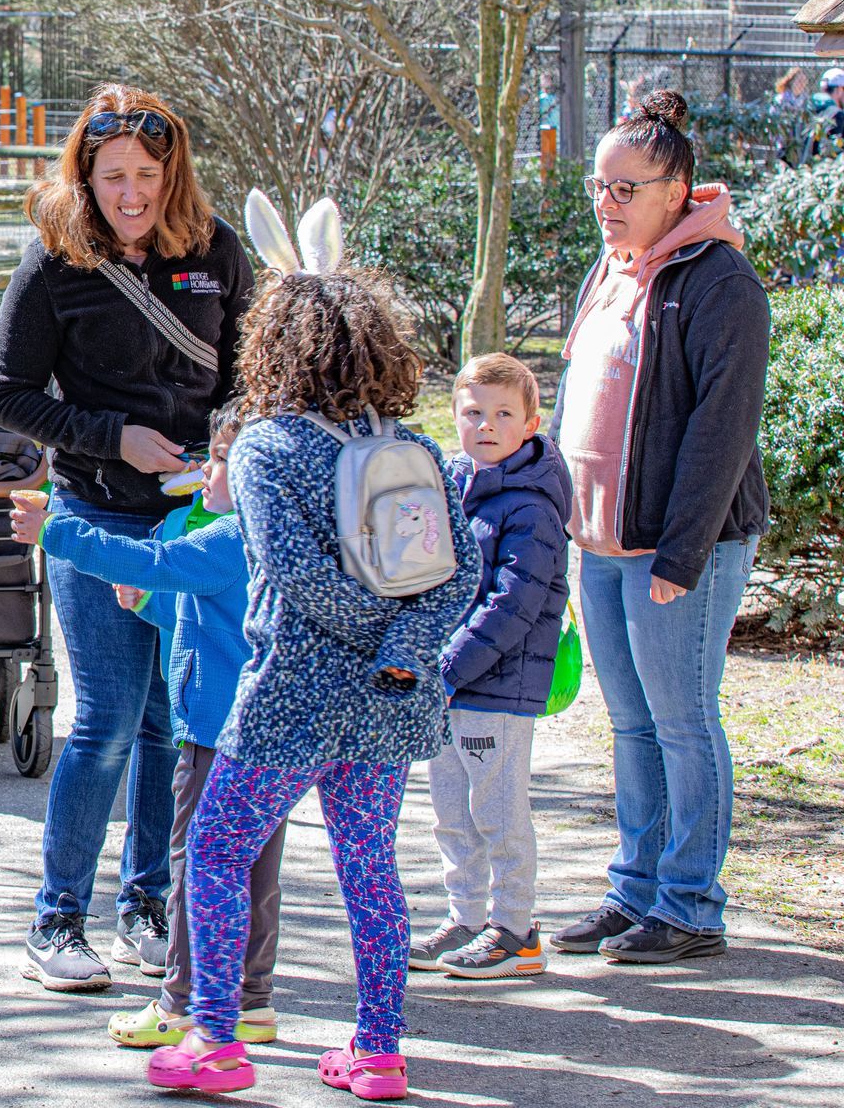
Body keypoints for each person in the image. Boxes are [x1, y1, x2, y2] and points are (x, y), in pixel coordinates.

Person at [141, 259, 478, 1100]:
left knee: (217, 850)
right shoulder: (416, 447)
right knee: (371, 866)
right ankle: (380, 1052)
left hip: (294, 691)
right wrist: (401, 646)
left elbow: (296, 577)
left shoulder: (265, 447)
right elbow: (459, 572)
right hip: (391, 700)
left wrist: (370, 642)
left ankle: (215, 1036)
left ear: (275, 349)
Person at [0, 85, 254, 992]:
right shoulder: (55, 262)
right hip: (98, 513)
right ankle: (56, 919)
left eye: (146, 174)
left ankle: (146, 907)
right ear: (84, 177)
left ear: (171, 171)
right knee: (103, 722)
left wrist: (226, 443)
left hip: (194, 522)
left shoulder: (217, 251)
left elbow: (256, 374)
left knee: (167, 725)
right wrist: (111, 437)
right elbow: (6, 396)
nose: (130, 194)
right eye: (112, 178)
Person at [549, 89, 770, 963]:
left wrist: (679, 555)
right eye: (599, 189)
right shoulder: (610, 271)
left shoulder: (721, 283)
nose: (607, 205)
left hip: (682, 550)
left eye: (625, 189)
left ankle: (689, 905)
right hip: (600, 544)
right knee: (631, 725)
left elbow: (723, 430)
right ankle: (633, 889)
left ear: (676, 189)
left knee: (684, 722)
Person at [9, 407, 289, 1050]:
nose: (202, 470)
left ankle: (182, 1003)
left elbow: (156, 564)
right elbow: (192, 603)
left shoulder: (228, 538)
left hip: (213, 740)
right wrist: (149, 598)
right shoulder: (261, 539)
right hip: (261, 737)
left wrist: (57, 531)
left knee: (200, 864)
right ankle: (253, 1000)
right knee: (256, 869)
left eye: (218, 460)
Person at [409, 353, 572, 980]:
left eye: (504, 413)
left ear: (530, 423)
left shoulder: (530, 508)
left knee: (497, 812)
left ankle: (516, 929)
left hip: (495, 686)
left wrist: (448, 668)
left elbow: (513, 603)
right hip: (448, 685)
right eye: (474, 411)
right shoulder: (450, 491)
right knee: (452, 810)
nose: (486, 424)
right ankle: (467, 918)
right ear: (454, 416)